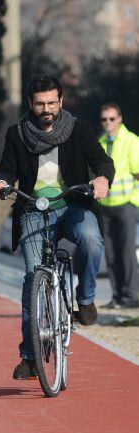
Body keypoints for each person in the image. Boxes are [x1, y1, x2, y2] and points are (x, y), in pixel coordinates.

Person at [0, 75, 114, 380]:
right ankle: (30, 357)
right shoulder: (17, 134)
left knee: (91, 239)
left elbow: (102, 161)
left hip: (72, 206)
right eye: (40, 103)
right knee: (33, 278)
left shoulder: (78, 129)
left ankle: (85, 299)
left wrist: (101, 179)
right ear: (31, 103)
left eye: (51, 103)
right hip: (33, 209)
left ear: (60, 101)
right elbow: (7, 167)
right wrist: (1, 182)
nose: (46, 109)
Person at [98, 102, 139, 309]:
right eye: (104, 119)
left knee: (127, 251)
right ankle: (117, 295)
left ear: (120, 119)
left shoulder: (132, 141)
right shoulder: (101, 142)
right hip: (106, 205)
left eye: (112, 119)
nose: (108, 123)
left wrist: (134, 200)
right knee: (111, 253)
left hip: (126, 205)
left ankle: (132, 295)